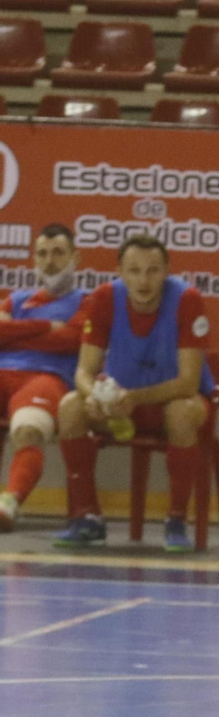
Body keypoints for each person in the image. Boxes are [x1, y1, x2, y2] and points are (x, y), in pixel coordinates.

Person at [53, 235, 216, 553]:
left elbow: (187, 383)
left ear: (167, 271)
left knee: (181, 412)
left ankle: (177, 519)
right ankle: (87, 517)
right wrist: (98, 397)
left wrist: (133, 398)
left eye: (153, 270)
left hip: (174, 402)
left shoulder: (188, 299)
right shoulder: (103, 298)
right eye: (135, 270)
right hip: (121, 406)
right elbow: (83, 373)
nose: (144, 280)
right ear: (120, 272)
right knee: (70, 406)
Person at [0, 225, 90, 532]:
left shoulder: (88, 302)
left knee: (28, 428)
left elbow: (70, 340)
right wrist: (47, 326)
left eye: (58, 253)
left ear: (75, 258)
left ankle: (9, 502)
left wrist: (15, 333)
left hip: (46, 378)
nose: (49, 261)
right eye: (42, 254)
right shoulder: (16, 299)